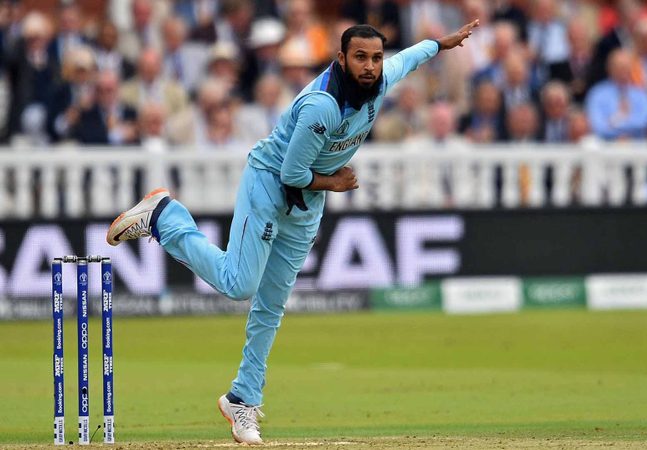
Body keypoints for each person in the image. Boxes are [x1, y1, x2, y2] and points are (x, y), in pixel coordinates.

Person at [105, 20, 479, 445]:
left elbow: (407, 59)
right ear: (341, 59)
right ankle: (165, 217)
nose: (371, 66)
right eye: (360, 57)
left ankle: (243, 398)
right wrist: (336, 182)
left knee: (271, 305)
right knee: (239, 284)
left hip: (306, 205)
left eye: (376, 58)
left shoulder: (378, 79)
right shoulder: (322, 106)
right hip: (269, 185)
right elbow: (293, 173)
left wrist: (440, 44)